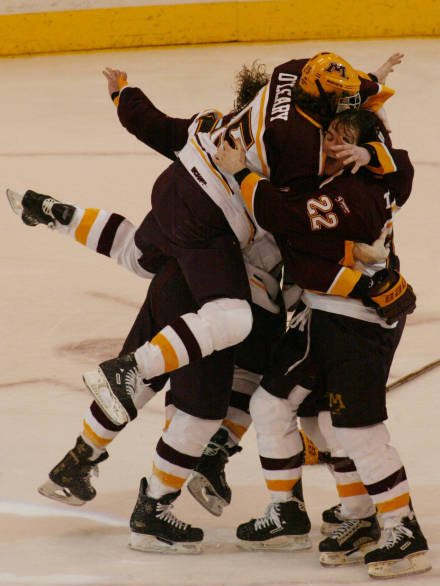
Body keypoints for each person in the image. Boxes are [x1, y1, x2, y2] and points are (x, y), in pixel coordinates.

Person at [10, 50, 402, 554]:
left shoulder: (218, 121)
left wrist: (123, 95)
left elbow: (144, 200)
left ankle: (80, 457)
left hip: (176, 244)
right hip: (219, 270)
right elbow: (295, 226)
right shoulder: (287, 169)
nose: (327, 141)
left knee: (144, 282)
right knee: (218, 388)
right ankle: (163, 498)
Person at [214, 109, 431, 578]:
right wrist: (372, 147)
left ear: (364, 149)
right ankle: (307, 515)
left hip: (357, 325)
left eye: (341, 137)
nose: (329, 141)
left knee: (355, 431)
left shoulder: (356, 194)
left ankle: (402, 527)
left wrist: (241, 174)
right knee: (276, 407)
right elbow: (401, 163)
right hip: (319, 317)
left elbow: (282, 213)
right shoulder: (372, 171)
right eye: (328, 133)